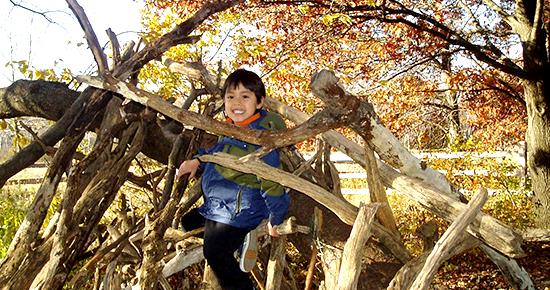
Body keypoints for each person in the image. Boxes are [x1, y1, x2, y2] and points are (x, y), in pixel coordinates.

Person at [177, 68, 290, 290]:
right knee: (186, 223)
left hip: (241, 208)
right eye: (230, 97)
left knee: (215, 252)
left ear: (259, 102)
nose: (236, 102)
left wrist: (276, 217)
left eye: (245, 96)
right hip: (221, 203)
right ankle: (240, 240)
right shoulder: (231, 128)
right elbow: (220, 152)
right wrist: (197, 161)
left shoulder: (260, 137)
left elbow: (272, 181)